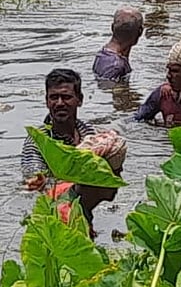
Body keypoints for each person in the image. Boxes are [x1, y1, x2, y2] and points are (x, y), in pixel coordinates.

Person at [21, 69, 126, 230]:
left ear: (80, 100)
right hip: (55, 213)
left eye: (67, 97)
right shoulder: (39, 141)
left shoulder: (91, 136)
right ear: (47, 101)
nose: (60, 103)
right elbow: (34, 182)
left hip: (83, 207)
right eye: (54, 97)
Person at [94, 7, 144, 82]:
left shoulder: (102, 54)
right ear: (140, 32)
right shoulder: (116, 66)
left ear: (112, 27)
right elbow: (110, 89)